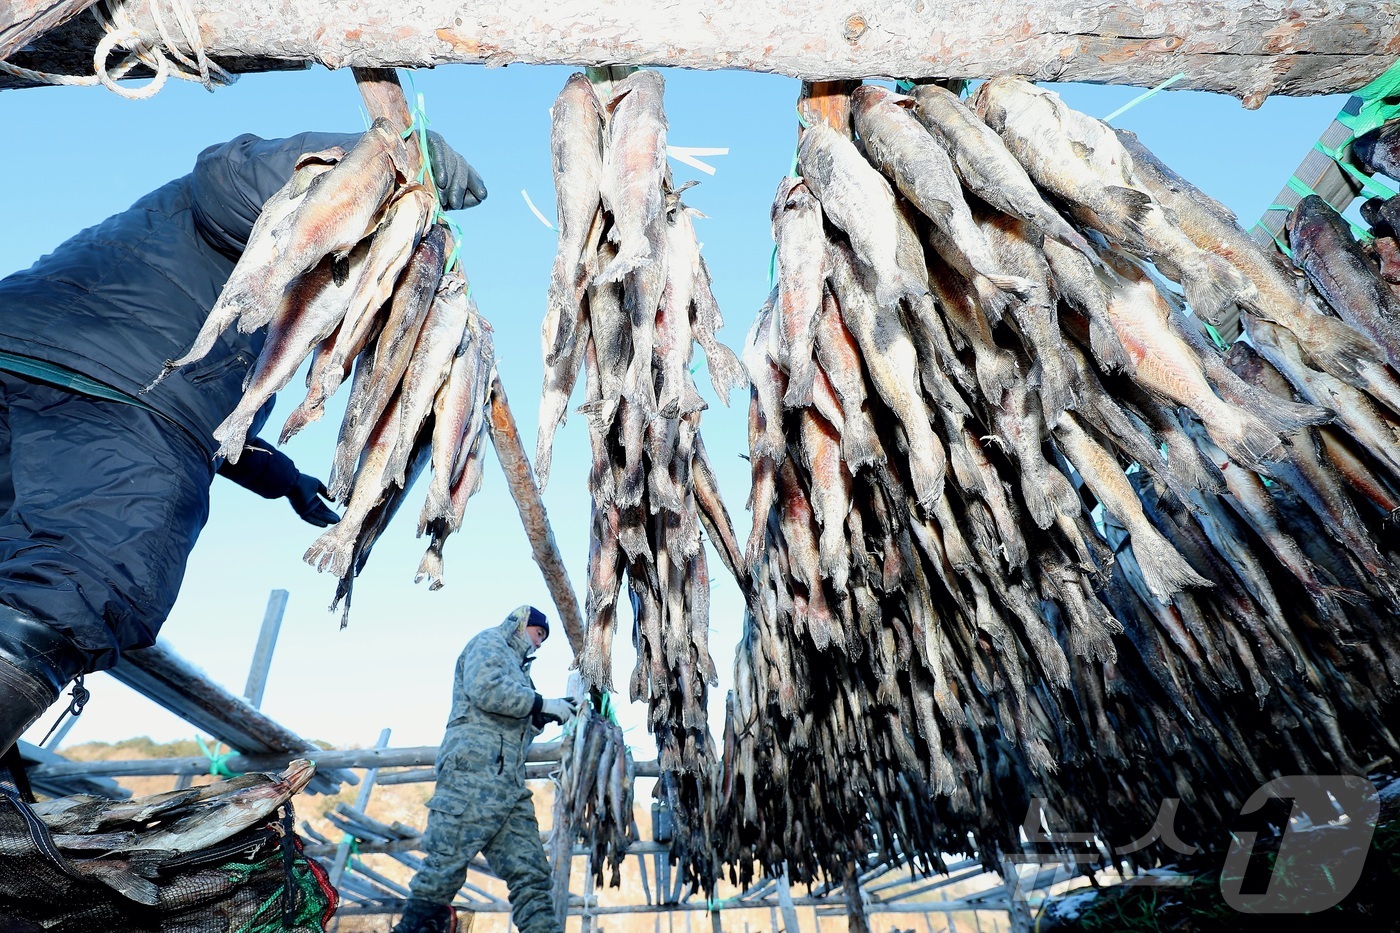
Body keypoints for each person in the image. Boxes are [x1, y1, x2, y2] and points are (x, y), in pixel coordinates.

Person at [0, 127, 486, 754]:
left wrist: (289, 483)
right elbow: (232, 178)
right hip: (118, 391)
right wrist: (385, 156)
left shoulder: (263, 309)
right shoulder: (269, 207)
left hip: (51, 373)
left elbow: (220, 423)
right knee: (95, 573)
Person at [394, 605, 579, 933]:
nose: (538, 645)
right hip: (471, 777)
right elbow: (487, 690)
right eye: (539, 635)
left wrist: (543, 715)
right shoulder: (490, 644)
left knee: (532, 876)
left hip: (508, 787)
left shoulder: (521, 671)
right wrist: (541, 703)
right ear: (523, 625)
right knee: (443, 871)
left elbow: (514, 721)